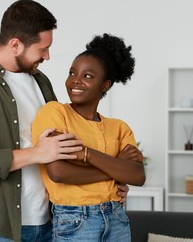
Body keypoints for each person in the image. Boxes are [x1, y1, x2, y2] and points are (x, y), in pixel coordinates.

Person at [0, 0, 130, 242]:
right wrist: (35, 153)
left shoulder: (40, 81)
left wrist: (110, 182)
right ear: (16, 45)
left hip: (49, 222)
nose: (48, 56)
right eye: (42, 49)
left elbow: (61, 148)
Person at [32, 33, 146, 241]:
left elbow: (138, 176)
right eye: (72, 72)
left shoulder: (119, 127)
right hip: (75, 220)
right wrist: (116, 168)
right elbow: (59, 172)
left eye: (88, 76)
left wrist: (86, 154)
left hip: (116, 218)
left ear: (105, 85)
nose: (75, 80)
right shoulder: (55, 113)